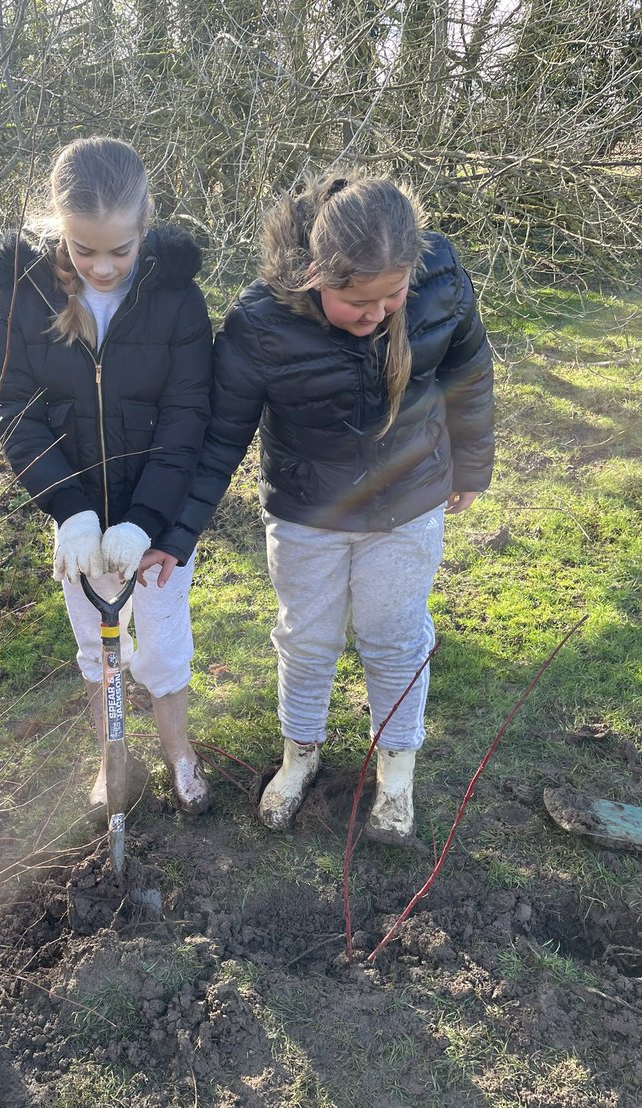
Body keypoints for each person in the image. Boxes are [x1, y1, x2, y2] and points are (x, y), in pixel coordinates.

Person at [152, 173, 494, 843]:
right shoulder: (259, 323)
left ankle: (396, 778)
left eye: (391, 296)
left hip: (409, 502)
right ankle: (298, 757)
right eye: (356, 303)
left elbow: (469, 369)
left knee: (394, 635)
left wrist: (473, 463)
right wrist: (178, 531)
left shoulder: (441, 276)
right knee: (306, 641)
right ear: (315, 276)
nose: (378, 316)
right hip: (307, 512)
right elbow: (222, 438)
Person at [0, 137, 213, 816]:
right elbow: (15, 409)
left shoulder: (176, 299)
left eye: (120, 249)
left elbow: (187, 417)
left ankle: (179, 751)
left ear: (145, 227)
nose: (104, 267)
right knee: (97, 648)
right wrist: (70, 510)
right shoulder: (27, 299)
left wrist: (147, 520)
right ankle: (113, 759)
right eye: (85, 251)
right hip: (77, 523)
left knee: (164, 644)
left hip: (160, 516)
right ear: (59, 227)